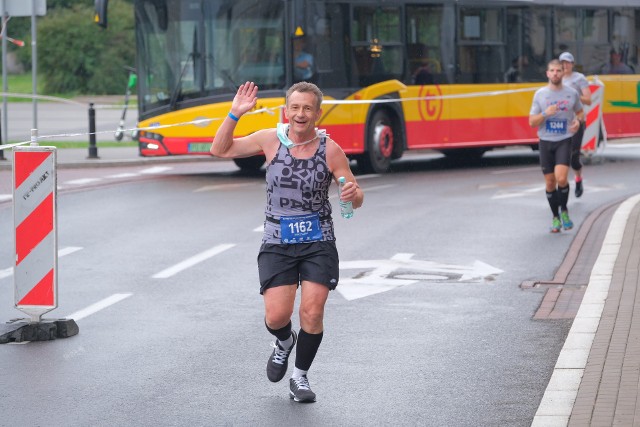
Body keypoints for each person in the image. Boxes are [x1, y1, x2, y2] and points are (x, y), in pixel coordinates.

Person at [210, 81, 364, 402]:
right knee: (277, 316)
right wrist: (235, 114)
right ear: (286, 111)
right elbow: (220, 149)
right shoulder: (271, 140)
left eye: (308, 108)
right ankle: (283, 342)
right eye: (295, 107)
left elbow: (354, 196)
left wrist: (352, 193)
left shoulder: (331, 150)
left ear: (318, 114)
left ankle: (300, 378)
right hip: (278, 241)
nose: (300, 114)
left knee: (312, 310)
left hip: (318, 240)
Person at [529, 59, 584, 233]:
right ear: (547, 74)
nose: (555, 74)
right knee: (550, 182)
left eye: (558, 70)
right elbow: (531, 122)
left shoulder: (571, 93)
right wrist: (546, 113)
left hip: (564, 140)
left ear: (563, 72)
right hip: (545, 142)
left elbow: (580, 111)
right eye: (552, 70)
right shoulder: (540, 94)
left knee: (561, 178)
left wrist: (577, 121)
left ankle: (565, 211)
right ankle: (555, 217)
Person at [559, 51, 591, 198]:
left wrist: (574, 94)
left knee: (573, 156)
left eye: (567, 62)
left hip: (577, 120)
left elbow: (588, 100)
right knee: (559, 156)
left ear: (572, 64)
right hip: (561, 122)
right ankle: (561, 184)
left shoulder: (579, 78)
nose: (564, 65)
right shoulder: (556, 78)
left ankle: (578, 179)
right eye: (562, 62)